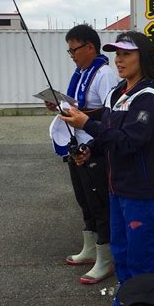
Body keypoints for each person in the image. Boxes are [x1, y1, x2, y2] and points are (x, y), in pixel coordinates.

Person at [60, 31, 154, 306]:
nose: (119, 60)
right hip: (116, 189)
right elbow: (108, 135)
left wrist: (87, 124)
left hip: (142, 193)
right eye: (116, 54)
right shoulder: (116, 93)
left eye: (126, 54)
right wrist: (89, 149)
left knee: (143, 258)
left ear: (143, 57)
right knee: (121, 255)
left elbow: (128, 142)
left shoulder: (150, 97)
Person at [46, 24, 118, 284]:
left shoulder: (105, 74)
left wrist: (77, 116)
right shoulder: (82, 72)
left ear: (90, 47)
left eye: (74, 49)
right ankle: (90, 248)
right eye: (69, 51)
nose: (72, 55)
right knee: (85, 200)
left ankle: (106, 258)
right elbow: (79, 107)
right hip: (76, 145)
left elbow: (110, 113)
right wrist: (60, 106)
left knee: (100, 204)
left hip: (95, 148)